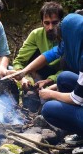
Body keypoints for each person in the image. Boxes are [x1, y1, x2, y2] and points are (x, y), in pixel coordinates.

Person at [9, 13, 83, 145]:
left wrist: (51, 93)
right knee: (63, 77)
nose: (50, 27)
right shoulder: (77, 37)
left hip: (78, 98)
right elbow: (51, 54)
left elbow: (77, 99)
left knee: (49, 109)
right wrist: (25, 71)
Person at [13, 1, 64, 91]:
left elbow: (69, 69)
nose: (51, 27)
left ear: (61, 21)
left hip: (59, 78)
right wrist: (24, 78)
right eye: (47, 23)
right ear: (42, 23)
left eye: (55, 23)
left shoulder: (67, 37)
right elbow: (19, 62)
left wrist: (50, 80)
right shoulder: (36, 35)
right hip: (36, 75)